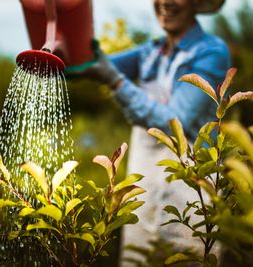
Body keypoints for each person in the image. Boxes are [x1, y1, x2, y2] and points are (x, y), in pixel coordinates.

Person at [75, 0, 230, 265]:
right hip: (144, 189)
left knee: (187, 257)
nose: (166, 2)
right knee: (138, 257)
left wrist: (114, 80)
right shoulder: (151, 51)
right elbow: (85, 65)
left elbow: (175, 122)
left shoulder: (211, 52)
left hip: (191, 194)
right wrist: (64, 48)